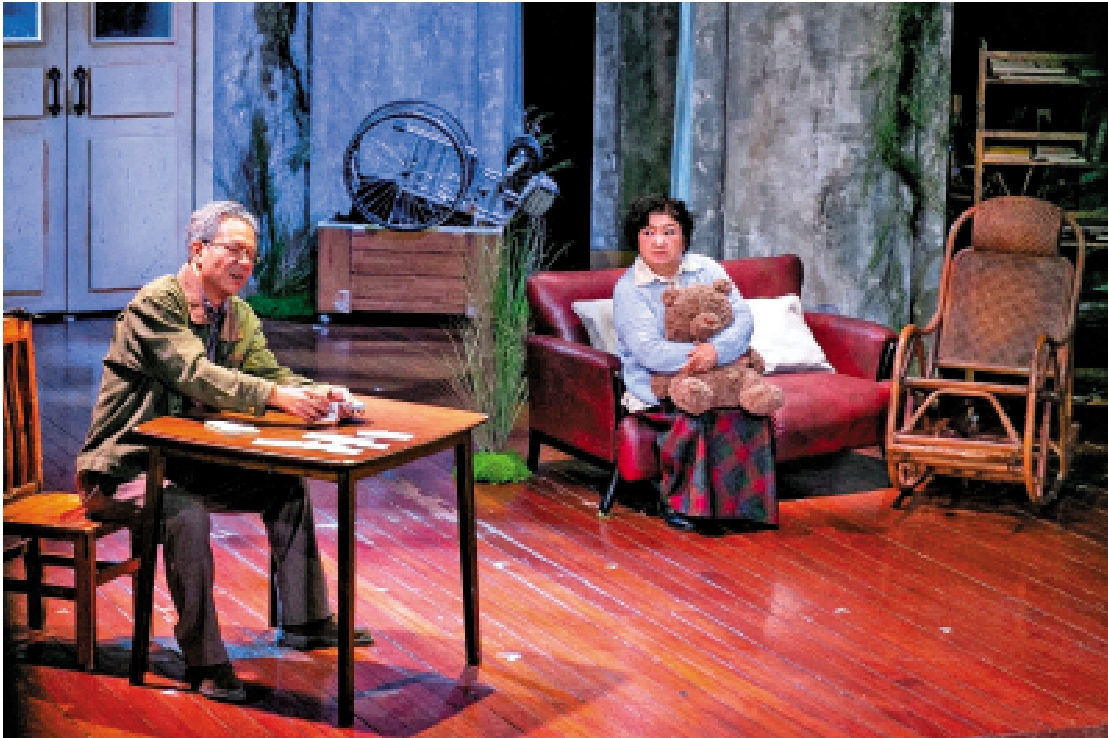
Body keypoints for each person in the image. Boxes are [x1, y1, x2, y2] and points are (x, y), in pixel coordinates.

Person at [76, 201, 373, 703]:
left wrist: (320, 393)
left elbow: (269, 374)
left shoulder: (238, 314)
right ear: (198, 250)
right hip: (125, 470)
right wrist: (275, 396)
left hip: (186, 463)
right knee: (184, 513)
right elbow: (195, 374)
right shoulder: (157, 304)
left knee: (283, 485)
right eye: (233, 250)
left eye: (251, 255)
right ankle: (204, 659)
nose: (244, 263)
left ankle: (306, 622)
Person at [612, 194, 778, 532]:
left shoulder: (707, 269)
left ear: (684, 236)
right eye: (648, 232)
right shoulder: (628, 289)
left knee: (750, 411)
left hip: (720, 372)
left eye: (669, 231)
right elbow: (650, 352)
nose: (659, 241)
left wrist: (716, 353)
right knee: (696, 411)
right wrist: (708, 360)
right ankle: (682, 504)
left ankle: (748, 509)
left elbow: (742, 321)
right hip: (658, 381)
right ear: (637, 239)